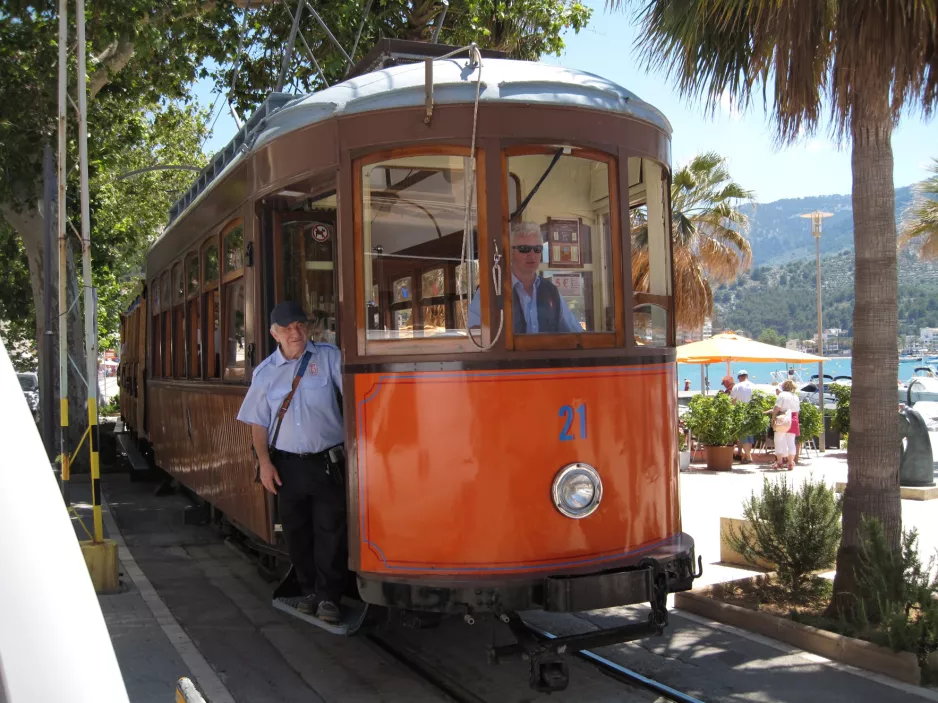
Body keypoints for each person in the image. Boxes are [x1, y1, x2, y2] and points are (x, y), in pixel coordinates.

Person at [237, 301, 347, 624]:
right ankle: (310, 591)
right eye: (287, 328)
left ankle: (328, 598)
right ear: (275, 333)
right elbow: (258, 422)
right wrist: (264, 463)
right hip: (287, 466)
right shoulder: (265, 373)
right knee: (297, 533)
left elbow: (354, 398)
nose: (295, 332)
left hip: (327, 462)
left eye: (300, 326)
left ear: (307, 327)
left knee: (330, 531)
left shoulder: (329, 357)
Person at [467, 221, 581, 333]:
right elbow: (475, 333)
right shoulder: (492, 290)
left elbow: (577, 333)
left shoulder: (551, 291)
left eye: (537, 249)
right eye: (524, 249)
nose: (531, 255)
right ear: (511, 253)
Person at [769, 379, 801, 471]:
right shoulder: (795, 396)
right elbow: (797, 411)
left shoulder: (782, 395)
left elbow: (776, 408)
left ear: (783, 386)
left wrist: (773, 418)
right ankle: (790, 463)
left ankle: (779, 462)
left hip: (783, 418)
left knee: (778, 440)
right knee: (791, 442)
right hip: (793, 418)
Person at [730, 370, 755, 463]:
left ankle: (748, 457)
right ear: (747, 376)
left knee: (744, 436)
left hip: (741, 412)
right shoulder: (753, 386)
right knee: (750, 435)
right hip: (752, 413)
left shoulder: (737, 386)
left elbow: (732, 401)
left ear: (739, 377)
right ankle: (747, 456)